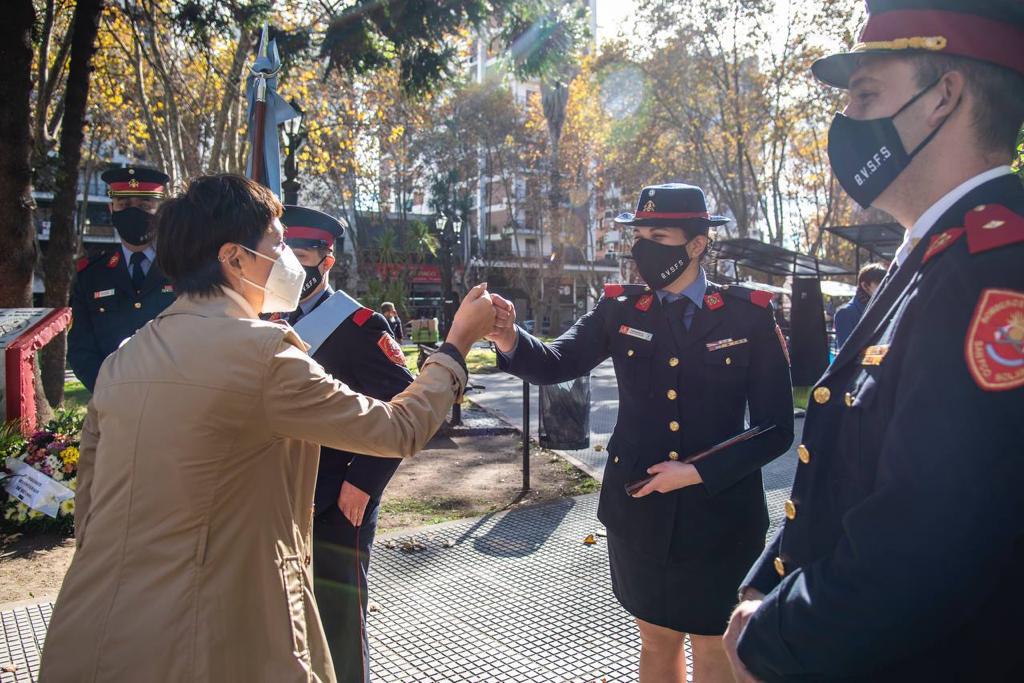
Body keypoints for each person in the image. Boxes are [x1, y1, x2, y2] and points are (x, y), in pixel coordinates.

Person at [38, 174, 498, 683]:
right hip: (209, 640)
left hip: (92, 632)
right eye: (277, 245)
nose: (287, 261)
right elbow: (399, 428)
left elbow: (88, 507)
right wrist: (456, 346)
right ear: (234, 258)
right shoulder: (262, 353)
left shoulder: (126, 356)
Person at [725, 2, 1024, 681]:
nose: (845, 123)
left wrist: (772, 636)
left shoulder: (992, 274)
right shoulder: (935, 257)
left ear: (943, 98)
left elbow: (927, 545)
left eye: (865, 95)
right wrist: (766, 580)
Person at [488, 183, 794, 683]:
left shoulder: (749, 316)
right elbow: (557, 361)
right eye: (639, 234)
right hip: (640, 512)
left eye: (658, 234)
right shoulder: (621, 309)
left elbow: (776, 429)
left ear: (697, 244)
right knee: (655, 642)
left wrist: (694, 472)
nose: (643, 247)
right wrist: (507, 336)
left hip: (720, 519)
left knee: (715, 648)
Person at [280, 205, 413, 683]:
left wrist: (363, 483)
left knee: (339, 621)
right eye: (282, 253)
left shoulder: (359, 326)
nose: (291, 265)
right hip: (278, 496)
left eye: (302, 254)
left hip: (338, 501)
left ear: (327, 260)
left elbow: (407, 408)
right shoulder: (262, 319)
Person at [67, 165, 176, 392]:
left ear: (161, 210)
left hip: (174, 396)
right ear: (111, 209)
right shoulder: (91, 276)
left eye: (145, 206)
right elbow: (81, 349)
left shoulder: (183, 267)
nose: (133, 212)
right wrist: (110, 392)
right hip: (113, 400)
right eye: (124, 205)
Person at [832, 263, 885, 347]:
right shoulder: (845, 313)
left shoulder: (882, 308)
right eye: (879, 284)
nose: (884, 288)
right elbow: (846, 352)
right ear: (865, 286)